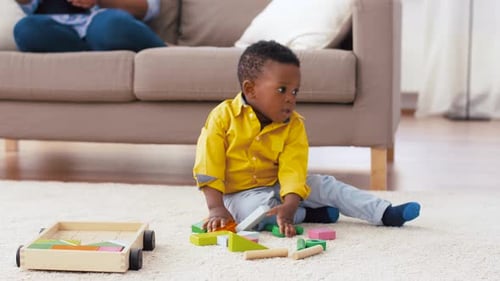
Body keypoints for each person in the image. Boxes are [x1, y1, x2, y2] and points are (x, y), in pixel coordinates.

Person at [193, 40, 421, 237]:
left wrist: (291, 203)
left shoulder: (294, 124)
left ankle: (383, 212)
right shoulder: (222, 117)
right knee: (255, 211)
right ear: (251, 90)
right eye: (282, 90)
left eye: (295, 91)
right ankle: (311, 213)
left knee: (327, 185)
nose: (291, 98)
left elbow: (294, 169)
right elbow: (208, 165)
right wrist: (215, 208)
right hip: (240, 194)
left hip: (280, 184)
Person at [13, 0, 166, 52]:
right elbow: (27, 6)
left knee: (111, 28)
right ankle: (92, 51)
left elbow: (147, 8)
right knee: (26, 30)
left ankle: (164, 52)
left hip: (105, 19)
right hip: (57, 29)